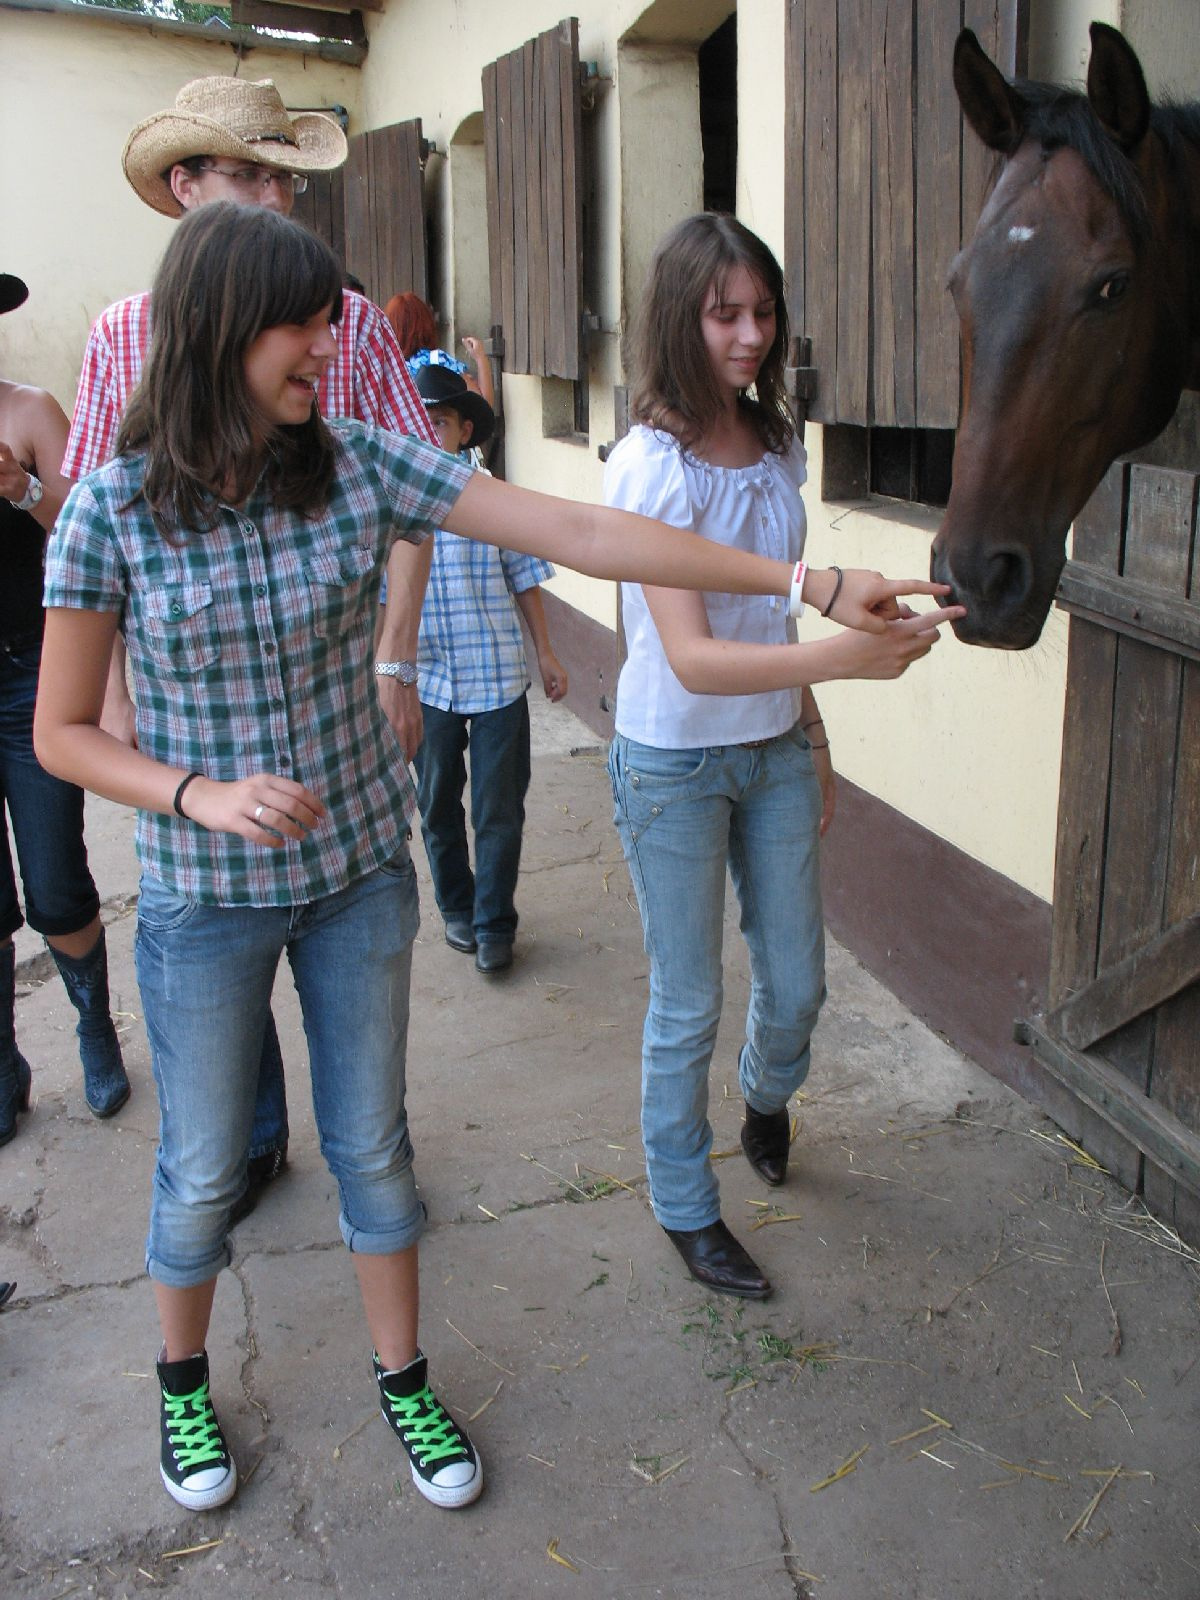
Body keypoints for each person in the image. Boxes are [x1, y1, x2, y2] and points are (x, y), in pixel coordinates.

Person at [34, 204, 955, 1516]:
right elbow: (62, 733)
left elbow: (580, 536)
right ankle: (183, 1379)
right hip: (203, 897)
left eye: (330, 321)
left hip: (357, 872)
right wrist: (196, 793)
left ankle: (401, 1372)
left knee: (375, 1149)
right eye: (303, 324)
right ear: (221, 328)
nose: (328, 345)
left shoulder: (357, 461)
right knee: (197, 1171)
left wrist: (810, 579)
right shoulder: (110, 510)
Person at [63, 75, 440, 1215]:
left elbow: (426, 489)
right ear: (187, 187)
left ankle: (355, 1160)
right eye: (253, 171)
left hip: (343, 778)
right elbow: (91, 535)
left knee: (360, 1081)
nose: (280, 194)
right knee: (215, 1045)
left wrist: (394, 654)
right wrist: (125, 714)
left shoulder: (348, 328)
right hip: (190, 763)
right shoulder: (121, 341)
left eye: (289, 175)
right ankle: (246, 1141)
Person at [604, 213, 961, 1302]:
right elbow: (698, 659)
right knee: (687, 1000)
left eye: (763, 312)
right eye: (725, 315)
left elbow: (767, 631)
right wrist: (849, 660)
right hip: (671, 764)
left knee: (797, 982)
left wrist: (813, 728)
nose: (751, 334)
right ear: (681, 317)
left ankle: (766, 1095)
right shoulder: (649, 466)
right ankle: (684, 1202)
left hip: (770, 754)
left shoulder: (774, 449)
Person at [0, 272, 129, 1143]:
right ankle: (5, 1066)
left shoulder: (29, 410)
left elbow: (84, 526)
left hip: (28, 680)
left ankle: (93, 1027)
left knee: (55, 884)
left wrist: (18, 488)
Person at [410, 364, 566, 975]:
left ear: (463, 430)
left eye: (440, 422)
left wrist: (546, 653)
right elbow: (375, 600)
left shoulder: (492, 497)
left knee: (499, 807)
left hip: (498, 674)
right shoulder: (396, 506)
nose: (429, 434)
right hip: (428, 682)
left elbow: (524, 578)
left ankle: (494, 922)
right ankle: (456, 905)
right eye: (418, 423)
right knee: (436, 801)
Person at [385, 291, 496, 409]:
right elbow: (483, 405)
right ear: (426, 323)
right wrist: (481, 358)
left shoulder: (386, 368)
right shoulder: (437, 360)